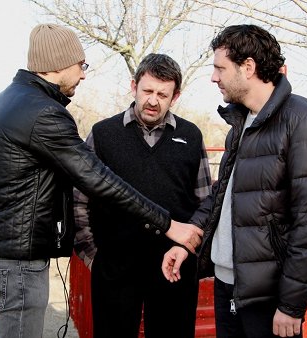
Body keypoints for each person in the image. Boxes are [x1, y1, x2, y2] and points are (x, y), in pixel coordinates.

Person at [0, 23, 203, 338]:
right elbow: (98, 183)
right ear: (57, 63)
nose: (83, 74)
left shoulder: (11, 101)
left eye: (162, 94)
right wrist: (166, 225)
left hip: (12, 253)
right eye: (80, 65)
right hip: (18, 260)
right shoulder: (44, 114)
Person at [162, 24, 307, 338]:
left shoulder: (306, 123)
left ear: (247, 67)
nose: (213, 77)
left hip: (268, 293)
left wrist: (291, 305)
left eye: (220, 68)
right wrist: (188, 242)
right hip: (228, 284)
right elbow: (223, 193)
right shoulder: (241, 121)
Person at [73, 53, 212, 338]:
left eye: (163, 94)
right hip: (114, 267)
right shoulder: (103, 133)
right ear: (133, 85)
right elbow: (80, 199)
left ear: (175, 97)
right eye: (147, 90)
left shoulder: (191, 136)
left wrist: (189, 251)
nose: (153, 100)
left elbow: (205, 203)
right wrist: (93, 257)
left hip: (173, 268)